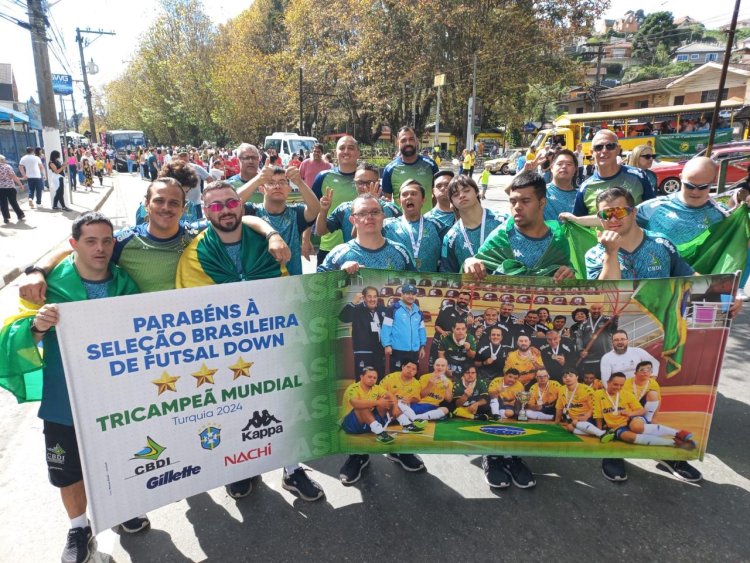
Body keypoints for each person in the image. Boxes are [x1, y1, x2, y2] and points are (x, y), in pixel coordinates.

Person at [3, 212, 140, 563]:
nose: (100, 248)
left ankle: (121, 507)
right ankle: (79, 527)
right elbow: (12, 337)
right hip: (65, 398)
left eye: (106, 241)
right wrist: (36, 327)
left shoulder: (126, 283)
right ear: (73, 245)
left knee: (123, 455)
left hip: (116, 395)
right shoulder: (47, 287)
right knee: (67, 469)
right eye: (91, 241)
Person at [176, 181, 325, 502]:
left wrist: (271, 233)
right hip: (225, 349)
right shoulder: (194, 252)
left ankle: (292, 469)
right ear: (205, 211)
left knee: (282, 404)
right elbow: (191, 307)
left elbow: (280, 292)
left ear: (241, 204)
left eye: (230, 202)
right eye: (215, 206)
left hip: (270, 340)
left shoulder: (265, 241)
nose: (225, 210)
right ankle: (240, 467)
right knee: (234, 409)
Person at [463, 171, 575, 279]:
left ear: (542, 203)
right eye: (512, 202)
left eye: (525, 201)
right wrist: (469, 263)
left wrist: (568, 273)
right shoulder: (500, 238)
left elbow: (566, 281)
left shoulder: (558, 240)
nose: (517, 207)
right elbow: (472, 280)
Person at [593, 373, 696, 481]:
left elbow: (641, 410)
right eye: (615, 384)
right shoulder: (599, 395)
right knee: (629, 437)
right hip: (617, 426)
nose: (618, 387)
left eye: (621, 385)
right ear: (608, 382)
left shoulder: (626, 394)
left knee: (636, 427)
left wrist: (630, 413)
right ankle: (675, 443)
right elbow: (598, 414)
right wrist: (600, 431)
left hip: (633, 419)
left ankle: (678, 433)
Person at [585, 187, 695, 280]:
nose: (613, 220)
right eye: (606, 214)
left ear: (634, 212)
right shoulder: (594, 255)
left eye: (619, 212)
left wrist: (711, 285)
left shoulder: (662, 244)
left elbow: (690, 279)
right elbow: (605, 295)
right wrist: (611, 253)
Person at [242, 165, 320, 276]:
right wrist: (257, 180)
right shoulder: (252, 210)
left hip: (291, 283)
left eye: (282, 182)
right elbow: (232, 205)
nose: (277, 186)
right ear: (261, 189)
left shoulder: (296, 213)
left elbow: (315, 209)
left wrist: (299, 182)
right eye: (271, 183)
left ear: (289, 188)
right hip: (258, 282)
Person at [317, 194, 415, 273]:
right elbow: (318, 290)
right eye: (362, 213)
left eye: (375, 212)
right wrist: (340, 274)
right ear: (353, 220)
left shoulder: (401, 252)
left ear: (383, 216)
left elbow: (417, 288)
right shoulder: (339, 255)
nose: (369, 217)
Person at [316, 163, 401, 248]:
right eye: (359, 182)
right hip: (353, 259)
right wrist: (323, 211)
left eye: (368, 183)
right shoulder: (344, 209)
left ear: (377, 183)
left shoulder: (390, 209)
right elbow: (320, 231)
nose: (363, 187)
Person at [572, 129, 655, 216]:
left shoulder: (638, 176)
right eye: (598, 147)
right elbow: (579, 225)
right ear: (592, 153)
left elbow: (652, 212)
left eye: (610, 146)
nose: (604, 151)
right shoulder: (585, 188)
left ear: (618, 149)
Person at [440, 175, 507, 273]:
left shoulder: (502, 222)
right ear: (451, 203)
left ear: (477, 192)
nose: (461, 195)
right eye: (455, 194)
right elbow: (449, 274)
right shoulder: (450, 238)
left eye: (466, 190)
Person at [312, 136, 360, 263]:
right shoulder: (323, 177)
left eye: (351, 148)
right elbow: (311, 209)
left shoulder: (367, 178)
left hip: (361, 248)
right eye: (342, 148)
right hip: (329, 247)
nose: (346, 151)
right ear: (335, 153)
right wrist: (306, 239)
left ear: (358, 153)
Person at [382, 179, 443, 272]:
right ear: (399, 201)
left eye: (413, 194)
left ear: (423, 200)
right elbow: (362, 238)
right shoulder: (386, 226)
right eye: (404, 194)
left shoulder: (437, 225)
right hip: (397, 284)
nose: (409, 197)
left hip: (428, 283)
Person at [381, 126, 438, 213]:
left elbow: (437, 194)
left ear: (416, 141)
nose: (408, 143)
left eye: (411, 139)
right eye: (403, 140)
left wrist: (432, 213)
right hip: (401, 224)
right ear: (398, 143)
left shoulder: (431, 165)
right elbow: (387, 201)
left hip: (427, 222)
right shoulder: (389, 170)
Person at [339, 286, 387, 381]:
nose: (372, 299)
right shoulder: (356, 309)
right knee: (363, 381)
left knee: (379, 380)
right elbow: (343, 318)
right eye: (369, 296)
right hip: (363, 353)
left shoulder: (382, 310)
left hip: (379, 353)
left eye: (375, 296)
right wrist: (353, 303)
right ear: (364, 298)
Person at [381, 284, 427, 372]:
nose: (411, 296)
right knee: (396, 376)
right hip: (398, 351)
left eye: (413, 294)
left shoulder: (419, 312)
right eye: (408, 293)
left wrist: (422, 346)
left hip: (414, 352)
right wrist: (387, 345)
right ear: (402, 294)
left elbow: (421, 330)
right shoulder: (393, 309)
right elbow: (386, 328)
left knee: (413, 377)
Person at [544, 150, 578, 222]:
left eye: (569, 164)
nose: (564, 166)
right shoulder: (541, 191)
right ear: (552, 168)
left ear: (575, 170)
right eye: (560, 164)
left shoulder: (581, 196)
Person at [424, 170, 455, 235]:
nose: (443, 188)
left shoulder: (466, 212)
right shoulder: (427, 219)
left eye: (447, 184)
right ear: (433, 191)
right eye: (439, 186)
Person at [0, 154, 26, 223]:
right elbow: (13, 176)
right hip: (10, 187)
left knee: (3, 203)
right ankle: (20, 214)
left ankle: (6, 217)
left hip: (0, 188)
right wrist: (20, 184)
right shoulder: (7, 167)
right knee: (13, 201)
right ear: (3, 160)